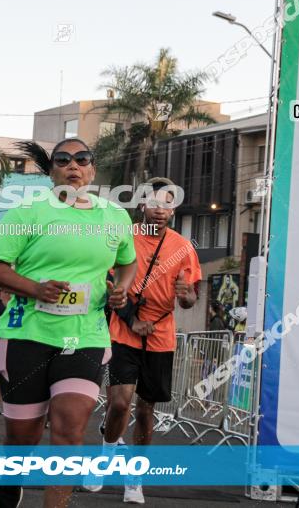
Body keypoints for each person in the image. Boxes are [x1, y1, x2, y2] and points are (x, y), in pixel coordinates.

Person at [0, 138, 137, 508]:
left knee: (69, 432)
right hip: (27, 334)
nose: (73, 165)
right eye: (63, 160)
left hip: (84, 335)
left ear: (92, 169)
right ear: (52, 171)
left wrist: (122, 289)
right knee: (24, 437)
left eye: (82, 159)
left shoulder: (114, 216)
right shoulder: (27, 213)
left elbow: (127, 261)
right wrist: (35, 288)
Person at [88, 177, 200, 503]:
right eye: (153, 203)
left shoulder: (183, 247)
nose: (159, 210)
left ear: (174, 209)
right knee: (120, 402)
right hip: (124, 332)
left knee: (147, 411)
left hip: (161, 338)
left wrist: (187, 295)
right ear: (141, 206)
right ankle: (105, 456)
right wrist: (133, 320)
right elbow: (110, 284)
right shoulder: (125, 238)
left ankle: (134, 478)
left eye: (167, 204)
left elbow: (190, 298)